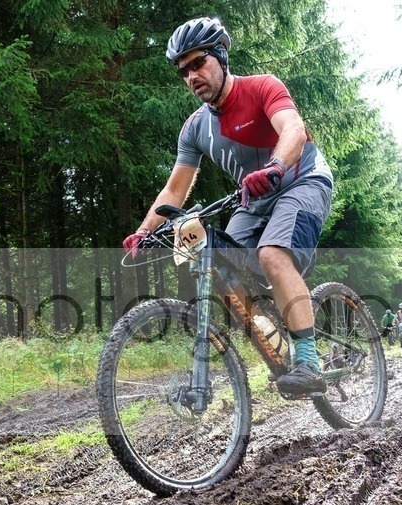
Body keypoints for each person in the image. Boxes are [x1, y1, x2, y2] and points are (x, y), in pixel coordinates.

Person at [122, 17, 334, 396]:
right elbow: (175, 189)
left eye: (198, 63)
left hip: (302, 180)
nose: (191, 76)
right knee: (216, 261)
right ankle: (276, 339)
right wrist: (143, 232)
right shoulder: (195, 128)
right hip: (253, 201)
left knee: (272, 255)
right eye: (183, 70)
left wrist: (275, 166)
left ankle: (308, 361)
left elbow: (293, 129)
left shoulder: (262, 87)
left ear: (221, 56)